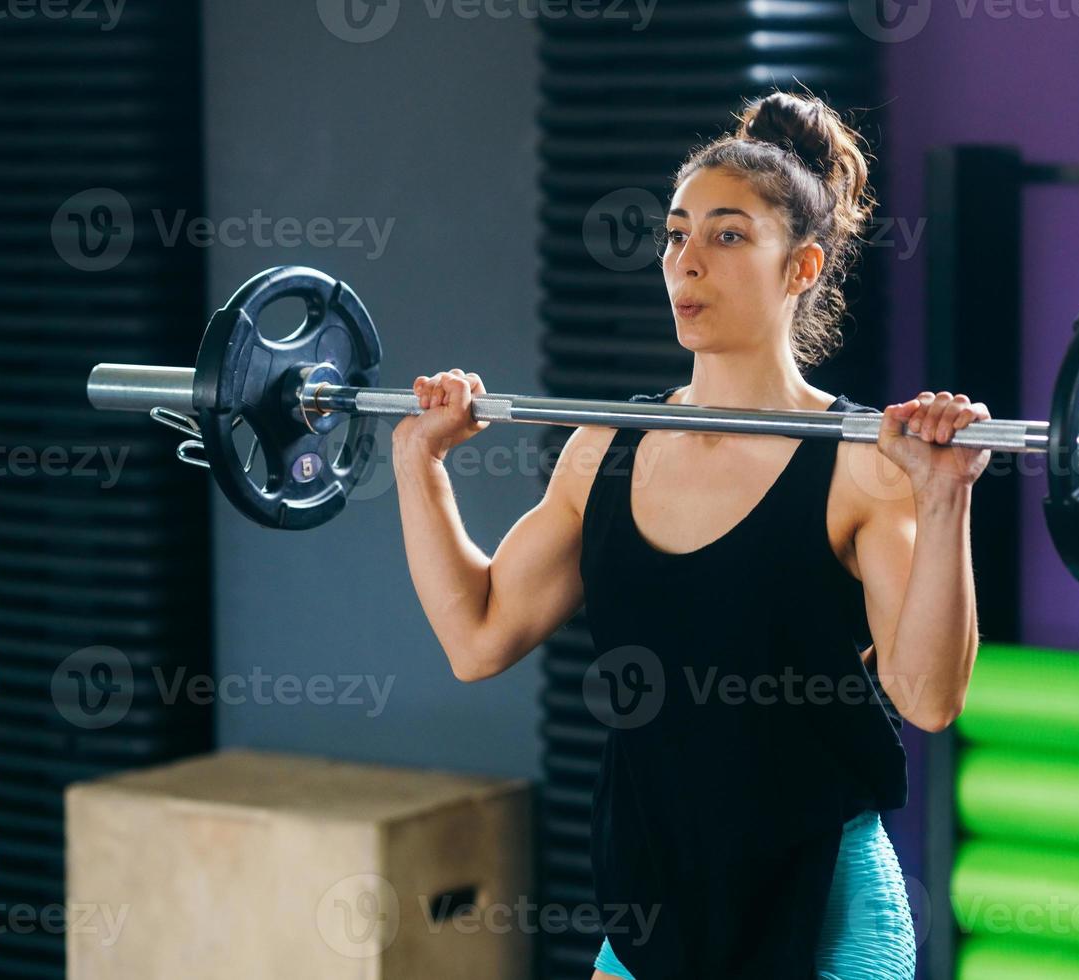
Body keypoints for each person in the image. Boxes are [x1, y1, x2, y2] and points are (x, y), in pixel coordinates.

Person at [391, 89, 989, 980]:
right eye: (675, 234)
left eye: (728, 235)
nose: (687, 261)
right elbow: (476, 636)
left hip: (820, 909)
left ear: (803, 267)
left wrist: (945, 502)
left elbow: (929, 697)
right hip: (654, 911)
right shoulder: (604, 448)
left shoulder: (861, 463)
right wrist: (418, 464)